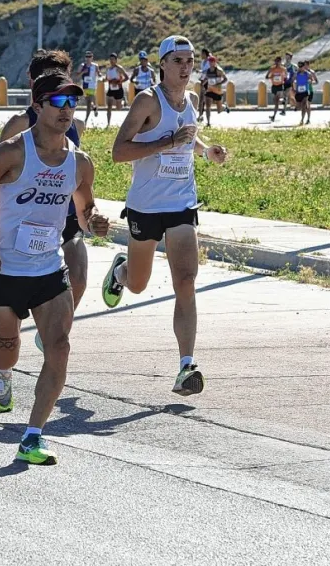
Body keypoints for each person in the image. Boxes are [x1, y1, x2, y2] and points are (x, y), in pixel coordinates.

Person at [0, 71, 110, 466]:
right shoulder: (12, 152)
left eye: (71, 103)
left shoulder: (80, 163)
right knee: (5, 356)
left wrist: (95, 221)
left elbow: (84, 209)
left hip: (48, 272)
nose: (66, 110)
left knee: (59, 347)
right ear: (37, 106)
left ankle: (33, 435)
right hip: (4, 269)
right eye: (57, 103)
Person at [101, 35, 228, 396]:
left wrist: (206, 152)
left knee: (186, 280)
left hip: (182, 203)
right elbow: (119, 151)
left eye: (190, 60)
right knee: (138, 283)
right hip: (146, 206)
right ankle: (120, 271)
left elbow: (188, 136)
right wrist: (165, 143)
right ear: (162, 64)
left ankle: (187, 365)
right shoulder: (147, 101)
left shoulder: (192, 98)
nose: (186, 67)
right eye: (178, 60)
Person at [0, 50, 89, 352]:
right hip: (23, 220)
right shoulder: (19, 124)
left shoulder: (75, 124)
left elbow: (77, 169)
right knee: (11, 311)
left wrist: (89, 210)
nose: (64, 103)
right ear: (35, 85)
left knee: (79, 277)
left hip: (65, 215)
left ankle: (51, 333)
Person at [200, 55, 228, 127]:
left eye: (212, 61)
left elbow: (225, 79)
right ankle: (208, 122)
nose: (210, 63)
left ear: (215, 62)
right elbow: (206, 78)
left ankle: (224, 107)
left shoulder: (219, 70)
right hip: (209, 90)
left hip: (217, 91)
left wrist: (218, 83)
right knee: (208, 105)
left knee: (219, 111)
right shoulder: (208, 71)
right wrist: (203, 84)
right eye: (209, 61)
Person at [104, 53, 129, 127]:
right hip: (111, 89)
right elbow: (106, 78)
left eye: (113, 59)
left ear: (116, 60)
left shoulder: (119, 68)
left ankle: (123, 101)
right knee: (109, 107)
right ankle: (108, 124)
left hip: (118, 89)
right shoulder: (108, 69)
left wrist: (118, 82)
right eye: (110, 59)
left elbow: (127, 77)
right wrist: (103, 80)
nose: (111, 61)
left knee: (118, 108)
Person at [78, 51, 100, 120]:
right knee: (88, 103)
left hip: (92, 86)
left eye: (89, 56)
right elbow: (77, 75)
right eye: (87, 56)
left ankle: (86, 120)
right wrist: (83, 72)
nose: (88, 58)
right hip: (85, 86)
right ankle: (94, 108)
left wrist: (100, 75)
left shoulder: (95, 66)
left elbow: (99, 73)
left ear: (92, 57)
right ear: (85, 57)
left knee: (90, 99)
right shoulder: (82, 65)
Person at [294, 60, 316, 125]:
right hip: (298, 92)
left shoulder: (308, 73)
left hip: (306, 91)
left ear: (304, 67)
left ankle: (303, 120)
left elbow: (312, 80)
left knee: (304, 105)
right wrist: (294, 84)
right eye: (299, 67)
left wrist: (309, 81)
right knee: (299, 106)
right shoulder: (296, 74)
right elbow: (292, 80)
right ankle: (299, 110)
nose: (300, 68)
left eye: (301, 66)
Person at [266, 56, 287, 121]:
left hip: (280, 85)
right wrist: (271, 77)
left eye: (278, 61)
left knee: (277, 101)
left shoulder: (283, 69)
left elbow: (286, 76)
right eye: (276, 61)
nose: (277, 62)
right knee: (275, 101)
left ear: (280, 62)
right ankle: (283, 101)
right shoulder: (271, 69)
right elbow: (266, 76)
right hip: (274, 86)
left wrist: (283, 78)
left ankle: (274, 116)